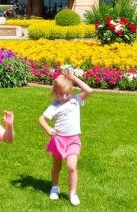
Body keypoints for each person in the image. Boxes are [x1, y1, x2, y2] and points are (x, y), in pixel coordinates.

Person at [38, 70, 93, 205]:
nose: (64, 97)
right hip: (58, 140)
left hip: (73, 139)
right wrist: (48, 128)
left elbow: (89, 90)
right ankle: (55, 188)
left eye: (67, 93)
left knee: (71, 167)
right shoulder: (54, 106)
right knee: (57, 165)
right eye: (60, 94)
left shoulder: (76, 99)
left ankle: (73, 193)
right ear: (55, 92)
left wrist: (74, 78)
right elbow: (41, 118)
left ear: (71, 91)